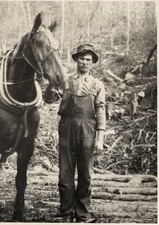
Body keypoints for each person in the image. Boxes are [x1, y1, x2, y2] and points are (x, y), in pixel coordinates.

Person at [57, 44, 106, 223]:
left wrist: (100, 138)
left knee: (85, 173)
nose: (84, 62)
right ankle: (66, 212)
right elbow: (50, 98)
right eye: (82, 59)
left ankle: (82, 214)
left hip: (88, 129)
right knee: (65, 173)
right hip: (67, 128)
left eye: (88, 60)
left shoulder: (97, 84)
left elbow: (101, 111)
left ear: (92, 63)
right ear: (76, 60)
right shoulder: (66, 81)